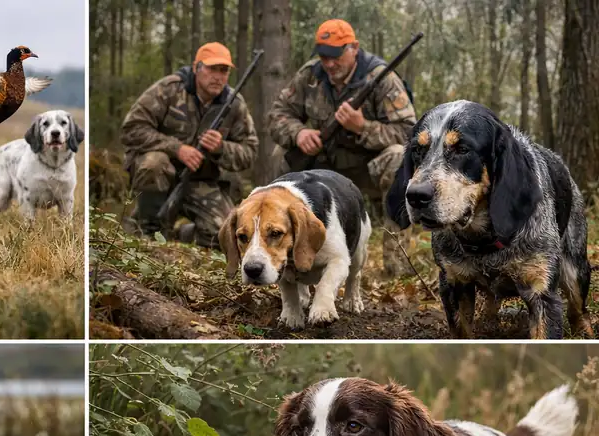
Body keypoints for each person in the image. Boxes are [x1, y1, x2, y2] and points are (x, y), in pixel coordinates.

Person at [268, 19, 417, 277]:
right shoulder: (310, 75)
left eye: (336, 55)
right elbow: (278, 114)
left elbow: (408, 132)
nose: (329, 63)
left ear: (354, 48)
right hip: (323, 169)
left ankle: (397, 267)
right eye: (324, 56)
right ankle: (284, 253)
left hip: (366, 170)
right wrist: (299, 132)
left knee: (398, 159)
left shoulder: (383, 79)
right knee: (281, 155)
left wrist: (362, 127)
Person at [121, 42, 258, 249]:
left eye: (224, 71)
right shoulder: (169, 90)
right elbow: (132, 129)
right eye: (212, 69)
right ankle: (147, 230)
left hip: (200, 181)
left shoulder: (234, 104)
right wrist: (177, 149)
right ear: (197, 68)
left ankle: (183, 235)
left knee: (226, 235)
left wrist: (222, 148)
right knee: (154, 163)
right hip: (159, 176)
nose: (218, 76)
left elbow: (249, 152)